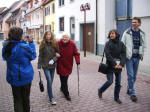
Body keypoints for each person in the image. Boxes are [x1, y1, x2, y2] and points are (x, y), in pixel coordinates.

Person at [2, 27, 36, 112]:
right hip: (25, 77)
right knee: (25, 99)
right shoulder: (24, 47)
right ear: (20, 35)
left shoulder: (6, 47)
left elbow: (12, 52)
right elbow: (33, 55)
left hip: (13, 77)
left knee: (17, 99)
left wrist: (23, 42)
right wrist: (31, 43)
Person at [98, 29, 126, 104]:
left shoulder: (121, 44)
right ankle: (100, 90)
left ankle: (116, 98)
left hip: (119, 67)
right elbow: (108, 55)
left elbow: (123, 54)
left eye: (113, 33)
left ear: (116, 34)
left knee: (118, 83)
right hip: (110, 66)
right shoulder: (107, 43)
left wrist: (121, 64)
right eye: (110, 34)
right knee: (110, 81)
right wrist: (114, 64)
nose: (111, 35)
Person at [122, 17, 146, 102]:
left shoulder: (142, 33)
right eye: (132, 22)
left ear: (139, 23)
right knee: (131, 75)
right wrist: (123, 57)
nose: (133, 23)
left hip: (137, 58)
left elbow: (143, 45)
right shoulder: (127, 33)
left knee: (134, 76)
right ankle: (132, 93)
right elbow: (122, 45)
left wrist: (142, 54)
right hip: (129, 58)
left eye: (135, 22)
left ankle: (129, 88)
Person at [38, 31, 60, 105]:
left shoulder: (55, 43)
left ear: (51, 35)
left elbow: (58, 54)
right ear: (45, 36)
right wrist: (39, 66)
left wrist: (53, 60)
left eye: (49, 34)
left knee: (51, 81)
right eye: (47, 34)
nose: (48, 36)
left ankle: (49, 90)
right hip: (45, 66)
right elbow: (40, 56)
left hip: (52, 65)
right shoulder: (42, 44)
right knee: (49, 81)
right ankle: (51, 98)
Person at [57, 34, 80, 101]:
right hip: (60, 63)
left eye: (66, 37)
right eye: (63, 37)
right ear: (62, 38)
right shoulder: (58, 43)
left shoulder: (72, 44)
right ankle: (66, 94)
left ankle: (62, 87)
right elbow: (54, 50)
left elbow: (76, 53)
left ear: (69, 38)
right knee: (63, 78)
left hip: (68, 64)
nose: (64, 38)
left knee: (65, 78)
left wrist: (77, 61)